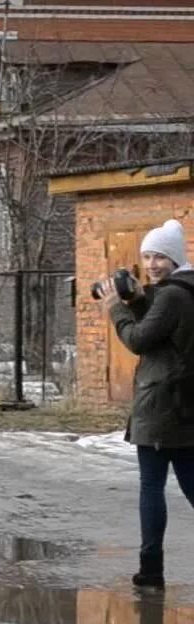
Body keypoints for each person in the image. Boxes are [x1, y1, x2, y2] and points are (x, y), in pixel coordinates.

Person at [100, 219, 194, 588]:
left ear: (176, 258)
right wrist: (139, 301)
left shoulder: (171, 295)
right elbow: (163, 336)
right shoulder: (185, 290)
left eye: (160, 257)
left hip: (162, 406)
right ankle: (150, 566)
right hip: (184, 403)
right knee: (190, 482)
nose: (153, 264)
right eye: (147, 256)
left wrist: (116, 308)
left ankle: (150, 570)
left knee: (152, 486)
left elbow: (139, 340)